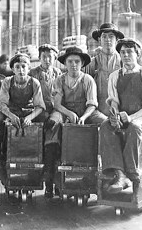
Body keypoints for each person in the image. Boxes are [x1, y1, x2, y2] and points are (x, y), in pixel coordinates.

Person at [44, 46, 107, 198]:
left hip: (86, 112)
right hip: (64, 111)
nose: (73, 65)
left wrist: (84, 117)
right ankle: (49, 182)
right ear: (65, 63)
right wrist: (69, 113)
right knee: (52, 125)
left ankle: (106, 176)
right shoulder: (59, 80)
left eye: (77, 62)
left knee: (106, 124)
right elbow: (57, 104)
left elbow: (92, 104)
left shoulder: (88, 80)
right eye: (70, 61)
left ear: (82, 64)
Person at [99, 38, 142, 193]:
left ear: (137, 54)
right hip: (122, 115)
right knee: (105, 126)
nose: (126, 55)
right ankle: (119, 174)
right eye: (122, 52)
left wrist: (131, 117)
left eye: (129, 52)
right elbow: (114, 102)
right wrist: (115, 116)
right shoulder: (114, 76)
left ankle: (132, 173)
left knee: (134, 127)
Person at [0, 53, 47, 177]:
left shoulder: (34, 82)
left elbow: (40, 106)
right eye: (17, 67)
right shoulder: (7, 81)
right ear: (13, 69)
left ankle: (42, 156)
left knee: (45, 119)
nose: (21, 70)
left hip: (28, 111)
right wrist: (11, 116)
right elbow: (1, 104)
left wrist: (29, 118)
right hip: (12, 111)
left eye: (24, 66)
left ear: (29, 68)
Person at [85, 23, 124, 116]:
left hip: (119, 108)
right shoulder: (93, 62)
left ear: (117, 40)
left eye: (111, 36)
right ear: (99, 39)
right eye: (104, 37)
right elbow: (85, 87)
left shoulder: (122, 61)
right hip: (97, 108)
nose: (108, 40)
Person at [29, 44, 63, 117]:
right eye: (44, 56)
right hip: (38, 107)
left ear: (55, 58)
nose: (47, 60)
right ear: (39, 58)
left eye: (50, 57)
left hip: (55, 106)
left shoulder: (57, 72)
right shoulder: (33, 73)